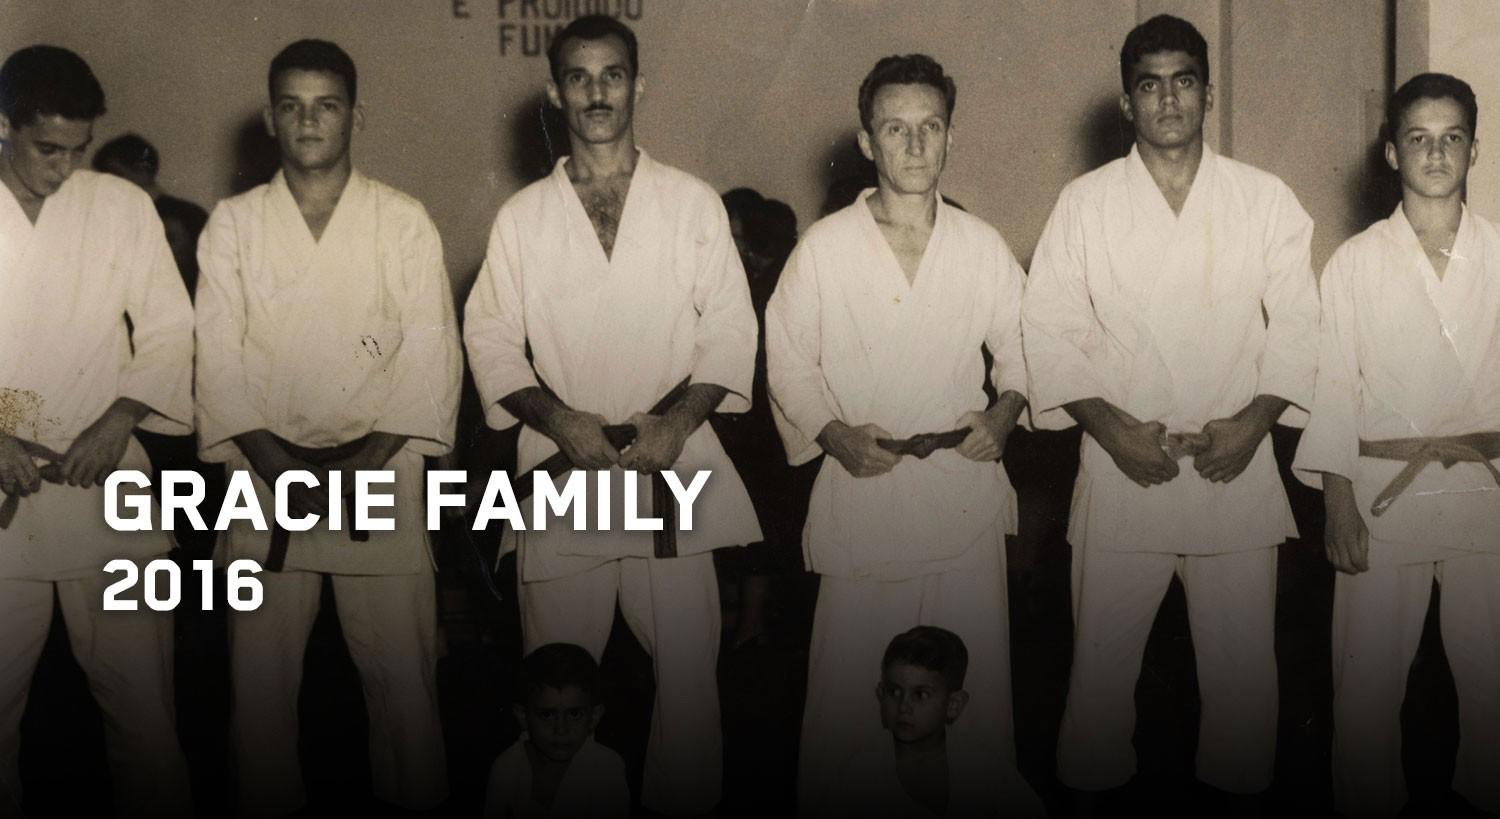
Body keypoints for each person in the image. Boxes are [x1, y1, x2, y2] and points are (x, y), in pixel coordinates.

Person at [462, 15, 761, 817]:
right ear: (554, 91)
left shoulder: (691, 203)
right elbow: (490, 337)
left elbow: (731, 329)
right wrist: (560, 420)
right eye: (579, 77)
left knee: (690, 685)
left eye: (613, 75)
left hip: (673, 463)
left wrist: (679, 423)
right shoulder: (523, 216)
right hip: (566, 467)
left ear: (639, 84)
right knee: (556, 685)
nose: (597, 93)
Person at [1022, 14, 1320, 802]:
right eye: (1149, 84)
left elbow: (1300, 326)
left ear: (1208, 93)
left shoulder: (1264, 199)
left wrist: (1255, 422)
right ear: (1126, 102)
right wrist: (1110, 428)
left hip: (1235, 467)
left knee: (1244, 689)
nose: (1168, 99)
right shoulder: (1085, 204)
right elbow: (1047, 331)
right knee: (1097, 685)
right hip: (1125, 467)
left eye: (1184, 81)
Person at [766, 53, 1040, 817]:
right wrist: (832, 433)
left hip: (961, 494)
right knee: (849, 702)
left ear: (951, 136)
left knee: (972, 700)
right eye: (895, 128)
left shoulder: (981, 245)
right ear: (866, 141)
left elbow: (1026, 347)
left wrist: (1004, 413)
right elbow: (787, 361)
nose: (915, 145)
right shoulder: (825, 248)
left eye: (931, 127)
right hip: (866, 490)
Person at [194, 39, 461, 817]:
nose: (308, 121)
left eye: (327, 104)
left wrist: (359, 468)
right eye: (292, 105)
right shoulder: (234, 224)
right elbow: (217, 362)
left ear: (356, 115)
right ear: (269, 116)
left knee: (404, 690)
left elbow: (429, 357)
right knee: (259, 697)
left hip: (378, 471)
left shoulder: (402, 221)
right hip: (264, 478)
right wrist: (280, 469)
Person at [1293, 73, 1500, 818]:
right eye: (1418, 138)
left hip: (1484, 491)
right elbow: (1333, 388)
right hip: (1384, 491)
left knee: (1493, 682)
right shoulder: (1354, 262)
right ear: (1390, 151)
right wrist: (1337, 502)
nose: (1436, 154)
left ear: (1474, 150)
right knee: (1367, 686)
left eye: (1451, 138)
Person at [0, 45, 193, 818]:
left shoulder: (119, 206)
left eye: (78, 150)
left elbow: (171, 329)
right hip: (4, 496)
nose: (64, 168)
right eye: (48, 149)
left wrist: (121, 419)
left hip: (107, 481)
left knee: (145, 713)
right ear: (3, 125)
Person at [832, 627, 1018, 818]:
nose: (903, 706)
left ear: (953, 705)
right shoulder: (860, 772)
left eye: (920, 694)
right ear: (881, 695)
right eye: (894, 692)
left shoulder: (984, 766)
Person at [485, 643, 630, 818]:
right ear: (523, 716)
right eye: (546, 714)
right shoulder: (507, 768)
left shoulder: (607, 768)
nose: (561, 730)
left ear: (594, 717)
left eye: (574, 714)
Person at [93, 133, 210, 296]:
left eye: (116, 175)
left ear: (142, 170)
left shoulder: (180, 217)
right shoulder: (116, 217)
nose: (107, 185)